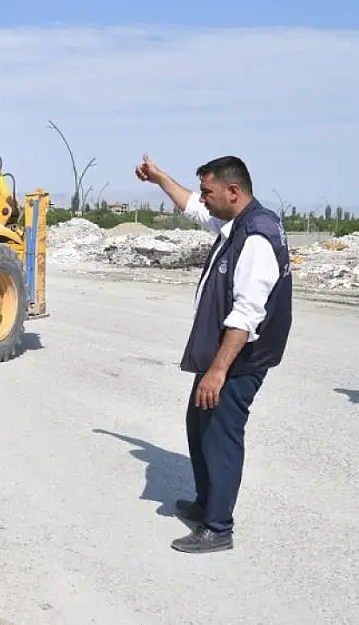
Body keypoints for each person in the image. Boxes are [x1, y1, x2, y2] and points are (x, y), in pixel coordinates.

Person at [135, 154, 292, 554]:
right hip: (225, 357)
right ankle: (207, 504)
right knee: (199, 426)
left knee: (220, 436)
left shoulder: (255, 237)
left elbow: (246, 313)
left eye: (209, 191)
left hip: (239, 360)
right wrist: (159, 178)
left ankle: (219, 527)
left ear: (233, 191)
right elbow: (192, 207)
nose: (203, 200)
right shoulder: (237, 223)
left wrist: (218, 371)